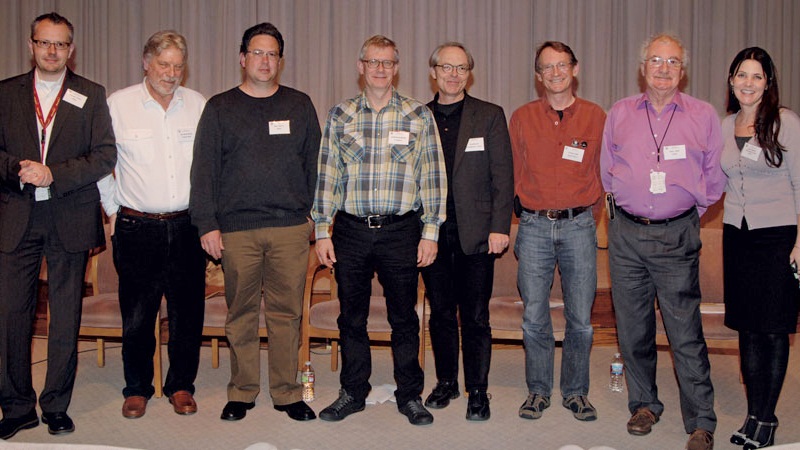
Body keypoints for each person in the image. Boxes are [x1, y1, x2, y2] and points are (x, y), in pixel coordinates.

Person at [312, 35, 446, 426]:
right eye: (373, 62)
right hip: (350, 231)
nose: (380, 69)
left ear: (396, 67)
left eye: (387, 62)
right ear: (361, 66)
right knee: (351, 317)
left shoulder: (418, 115)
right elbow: (327, 175)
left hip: (401, 230)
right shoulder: (340, 115)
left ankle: (410, 396)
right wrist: (322, 229)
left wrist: (431, 232)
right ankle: (353, 392)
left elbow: (432, 176)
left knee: (404, 318)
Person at [190, 22, 320, 423]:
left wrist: (313, 217)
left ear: (280, 61)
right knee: (241, 314)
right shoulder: (219, 107)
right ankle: (242, 391)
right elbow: (204, 171)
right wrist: (207, 224)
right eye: (257, 53)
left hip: (289, 229)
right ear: (242, 58)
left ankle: (287, 392)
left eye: (272, 54)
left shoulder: (299, 105)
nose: (265, 61)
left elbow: (316, 165)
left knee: (287, 314)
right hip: (236, 230)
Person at [600, 33, 724, 450]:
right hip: (626, 236)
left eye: (672, 61)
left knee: (684, 331)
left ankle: (701, 421)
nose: (664, 68)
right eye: (656, 60)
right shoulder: (620, 112)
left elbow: (714, 176)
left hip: (676, 235)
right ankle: (644, 405)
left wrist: (686, 211)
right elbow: (607, 170)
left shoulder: (702, 115)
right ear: (643, 67)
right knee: (633, 329)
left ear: (682, 70)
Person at [0, 12, 116, 439]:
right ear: (31, 45)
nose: (52, 51)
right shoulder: (5, 93)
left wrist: (54, 174)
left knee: (65, 315)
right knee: (11, 315)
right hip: (17, 215)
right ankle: (16, 407)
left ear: (71, 49)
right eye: (44, 42)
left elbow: (104, 155)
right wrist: (19, 169)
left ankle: (55, 405)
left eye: (60, 44)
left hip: (69, 213)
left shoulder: (91, 94)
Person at [97, 30, 207, 419]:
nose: (171, 73)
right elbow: (100, 163)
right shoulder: (118, 104)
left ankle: (181, 386)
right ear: (146, 63)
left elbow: (210, 166)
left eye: (178, 66)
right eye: (163, 64)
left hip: (188, 226)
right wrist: (113, 209)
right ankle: (137, 388)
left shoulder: (197, 105)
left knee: (187, 313)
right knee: (138, 315)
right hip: (136, 227)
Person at [509, 41, 606, 423]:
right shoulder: (522, 117)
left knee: (580, 318)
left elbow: (603, 173)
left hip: (579, 226)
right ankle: (538, 390)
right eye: (547, 67)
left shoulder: (596, 116)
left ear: (575, 69)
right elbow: (514, 173)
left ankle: (576, 392)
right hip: (533, 227)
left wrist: (587, 216)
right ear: (538, 76)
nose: (555, 73)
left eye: (562, 65)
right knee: (534, 315)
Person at [420, 42, 513, 422]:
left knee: (475, 316)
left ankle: (477, 389)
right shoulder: (418, 117)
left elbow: (502, 176)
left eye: (461, 68)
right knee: (441, 313)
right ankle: (446, 382)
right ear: (434, 72)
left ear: (469, 74)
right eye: (446, 67)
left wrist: (499, 227)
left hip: (476, 234)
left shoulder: (489, 115)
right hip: (431, 234)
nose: (453, 74)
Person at [721, 47, 800, 449]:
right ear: (731, 80)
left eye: (756, 76)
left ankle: (767, 419)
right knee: (748, 329)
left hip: (778, 236)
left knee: (773, 329)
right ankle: (752, 414)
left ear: (768, 83)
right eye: (741, 75)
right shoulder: (725, 125)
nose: (748, 83)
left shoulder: (786, 122)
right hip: (738, 235)